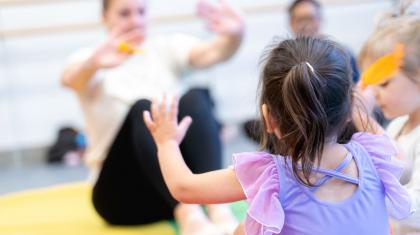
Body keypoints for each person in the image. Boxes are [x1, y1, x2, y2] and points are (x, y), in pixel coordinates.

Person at [144, 37, 412, 235]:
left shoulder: (270, 174)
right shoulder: (376, 157)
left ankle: (207, 221)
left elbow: (184, 187)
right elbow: (402, 162)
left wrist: (166, 142)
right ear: (347, 111)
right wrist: (362, 114)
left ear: (269, 119)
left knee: (232, 229)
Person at [61, 0, 243, 233]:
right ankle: (189, 216)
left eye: (141, 12)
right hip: (123, 197)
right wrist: (93, 64)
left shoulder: (164, 48)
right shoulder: (90, 57)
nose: (135, 20)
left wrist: (235, 35)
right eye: (124, 13)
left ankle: (218, 207)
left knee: (196, 96)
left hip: (180, 185)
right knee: (144, 108)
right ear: (105, 17)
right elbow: (70, 79)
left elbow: (212, 53)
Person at [243, 0, 363, 143]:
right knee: (249, 126)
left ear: (320, 20)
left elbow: (353, 91)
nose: (306, 24)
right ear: (291, 22)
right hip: (292, 120)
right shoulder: (282, 57)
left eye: (310, 18)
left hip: (331, 121)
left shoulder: (340, 54)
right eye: (300, 19)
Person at [358, 15, 420, 234]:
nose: (373, 93)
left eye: (383, 83)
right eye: (370, 84)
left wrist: (364, 121)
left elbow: (416, 210)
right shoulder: (397, 126)